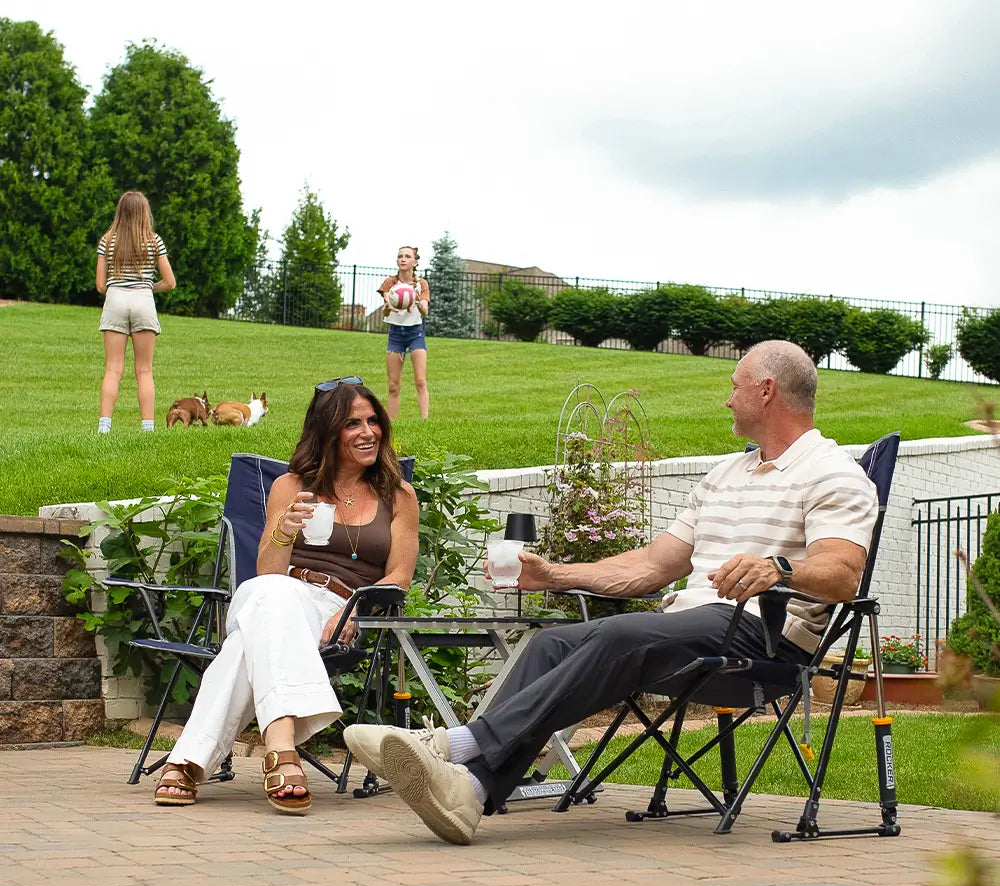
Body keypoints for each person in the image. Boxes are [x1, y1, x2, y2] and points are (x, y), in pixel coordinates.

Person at [344, 340, 880, 844]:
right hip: (690, 633)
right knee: (551, 644)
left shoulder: (832, 473)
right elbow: (652, 566)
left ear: (766, 391)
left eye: (734, 387)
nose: (726, 399)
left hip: (763, 641)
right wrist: (555, 575)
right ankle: (473, 792)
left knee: (622, 633)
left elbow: (842, 573)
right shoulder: (725, 475)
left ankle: (454, 746)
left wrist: (779, 568)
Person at [155, 378, 419, 813]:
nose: (368, 431)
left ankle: (186, 761)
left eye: (373, 421)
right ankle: (281, 748)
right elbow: (269, 571)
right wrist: (283, 529)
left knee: (245, 642)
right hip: (282, 591)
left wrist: (357, 609)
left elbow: (399, 576)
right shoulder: (291, 487)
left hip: (338, 607)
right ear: (328, 431)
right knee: (270, 592)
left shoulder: (399, 495)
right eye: (353, 423)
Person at [95, 191, 176, 434]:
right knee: (144, 370)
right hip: (143, 301)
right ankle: (148, 428)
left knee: (112, 368)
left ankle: (104, 427)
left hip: (115, 300)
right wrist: (149, 286)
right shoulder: (153, 241)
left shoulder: (107, 241)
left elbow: (100, 285)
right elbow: (170, 282)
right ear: (144, 213)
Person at [378, 246, 430, 420]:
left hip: (415, 333)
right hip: (395, 334)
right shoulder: (390, 283)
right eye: (400, 256)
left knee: (420, 380)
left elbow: (425, 311)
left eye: (407, 256)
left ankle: (425, 421)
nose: (403, 259)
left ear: (415, 262)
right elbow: (386, 312)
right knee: (393, 385)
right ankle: (390, 424)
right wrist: (386, 309)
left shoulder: (421, 284)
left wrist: (419, 303)